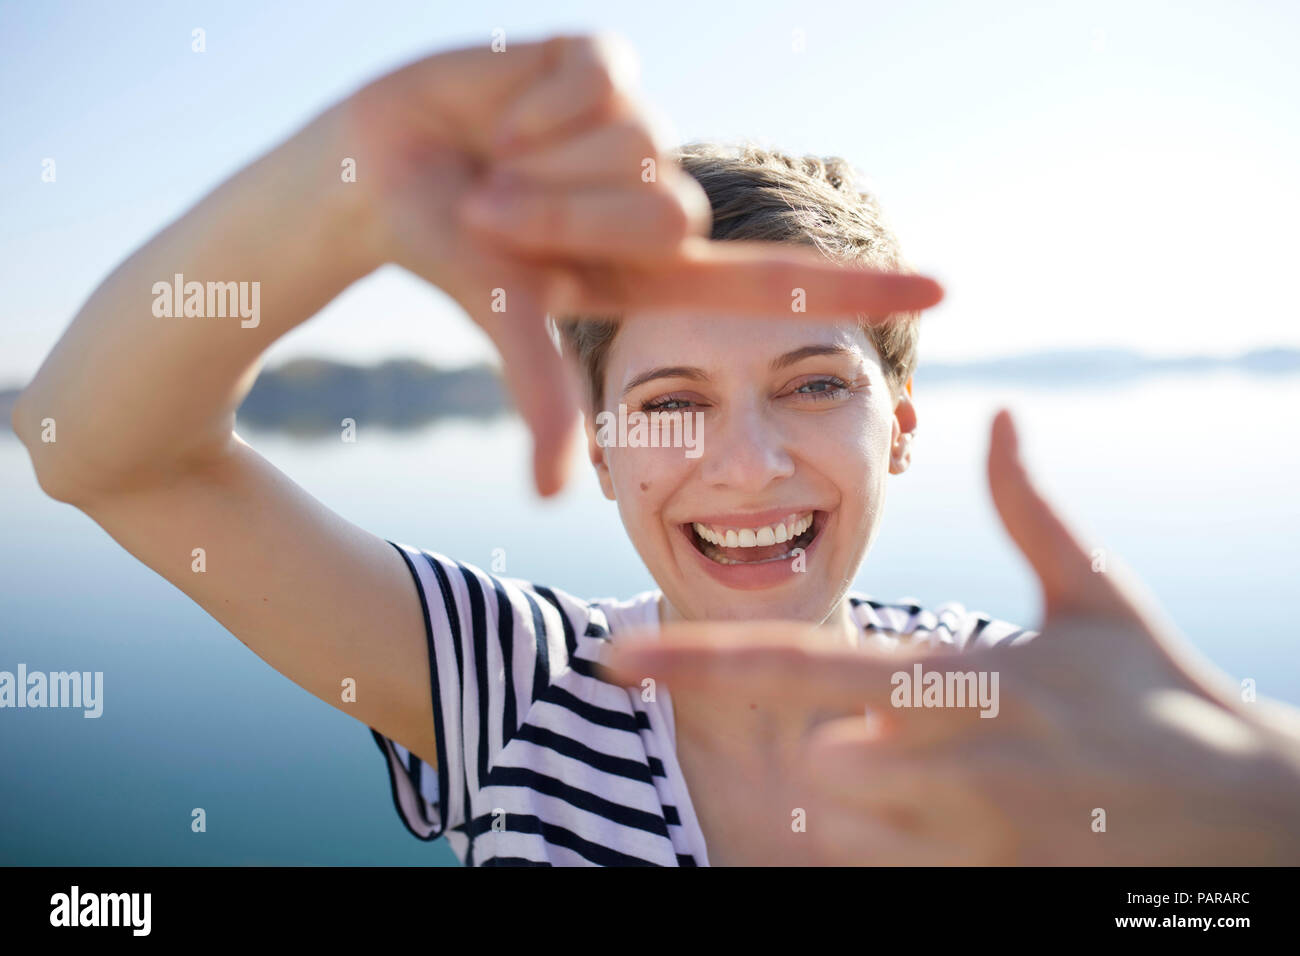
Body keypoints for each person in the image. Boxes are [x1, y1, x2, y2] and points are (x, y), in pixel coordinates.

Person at [12, 33, 1299, 866]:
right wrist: (340, 188)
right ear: (607, 445)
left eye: (810, 384)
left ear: (896, 429)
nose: (745, 466)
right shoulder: (513, 685)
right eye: (672, 399)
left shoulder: (1025, 718)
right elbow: (99, 449)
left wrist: (1260, 811)